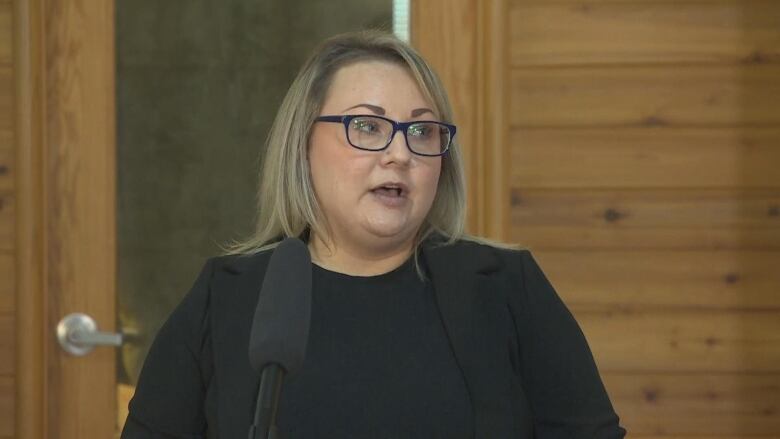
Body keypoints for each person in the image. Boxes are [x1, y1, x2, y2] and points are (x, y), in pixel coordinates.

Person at [121, 30, 627, 438]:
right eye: (367, 126)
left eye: (421, 131)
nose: (400, 154)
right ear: (302, 145)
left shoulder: (504, 287)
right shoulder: (228, 294)